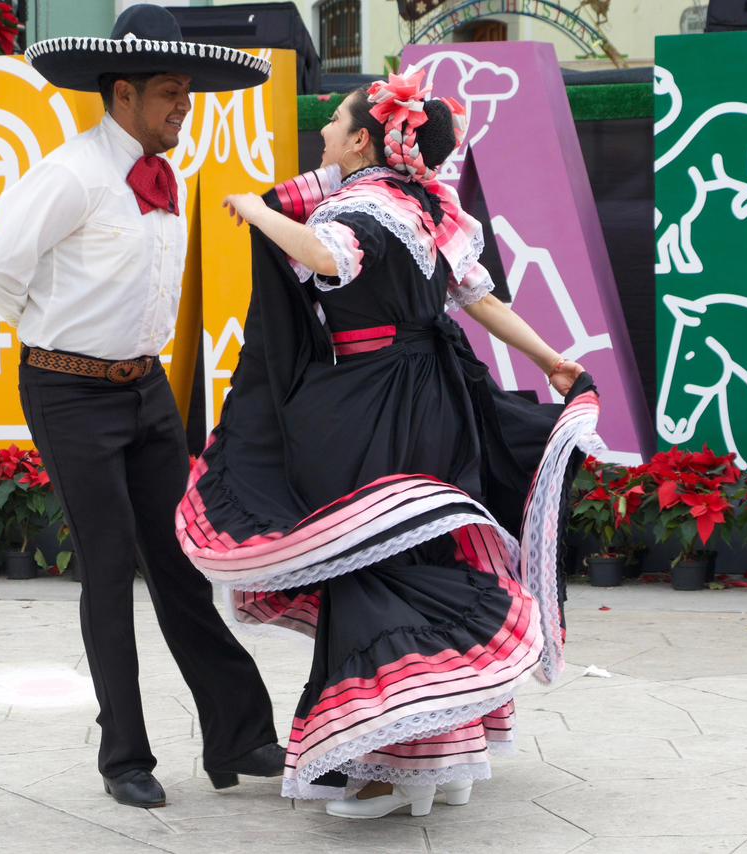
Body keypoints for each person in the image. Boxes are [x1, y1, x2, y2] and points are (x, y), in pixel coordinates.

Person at [175, 70, 602, 818]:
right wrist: (550, 360)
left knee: (373, 569)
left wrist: (254, 210)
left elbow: (330, 256)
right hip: (436, 398)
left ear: (367, 139)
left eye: (335, 126)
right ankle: (450, 756)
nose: (323, 137)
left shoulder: (365, 208)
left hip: (375, 404)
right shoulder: (427, 204)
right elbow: (480, 299)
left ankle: (390, 767)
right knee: (422, 556)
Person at [0, 4, 284, 809]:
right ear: (122, 93)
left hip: (146, 389)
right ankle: (124, 759)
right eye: (171, 92)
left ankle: (240, 736)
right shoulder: (69, 175)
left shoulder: (165, 177)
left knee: (181, 563)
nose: (185, 104)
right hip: (68, 390)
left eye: (188, 91)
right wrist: (57, 339)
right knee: (108, 570)